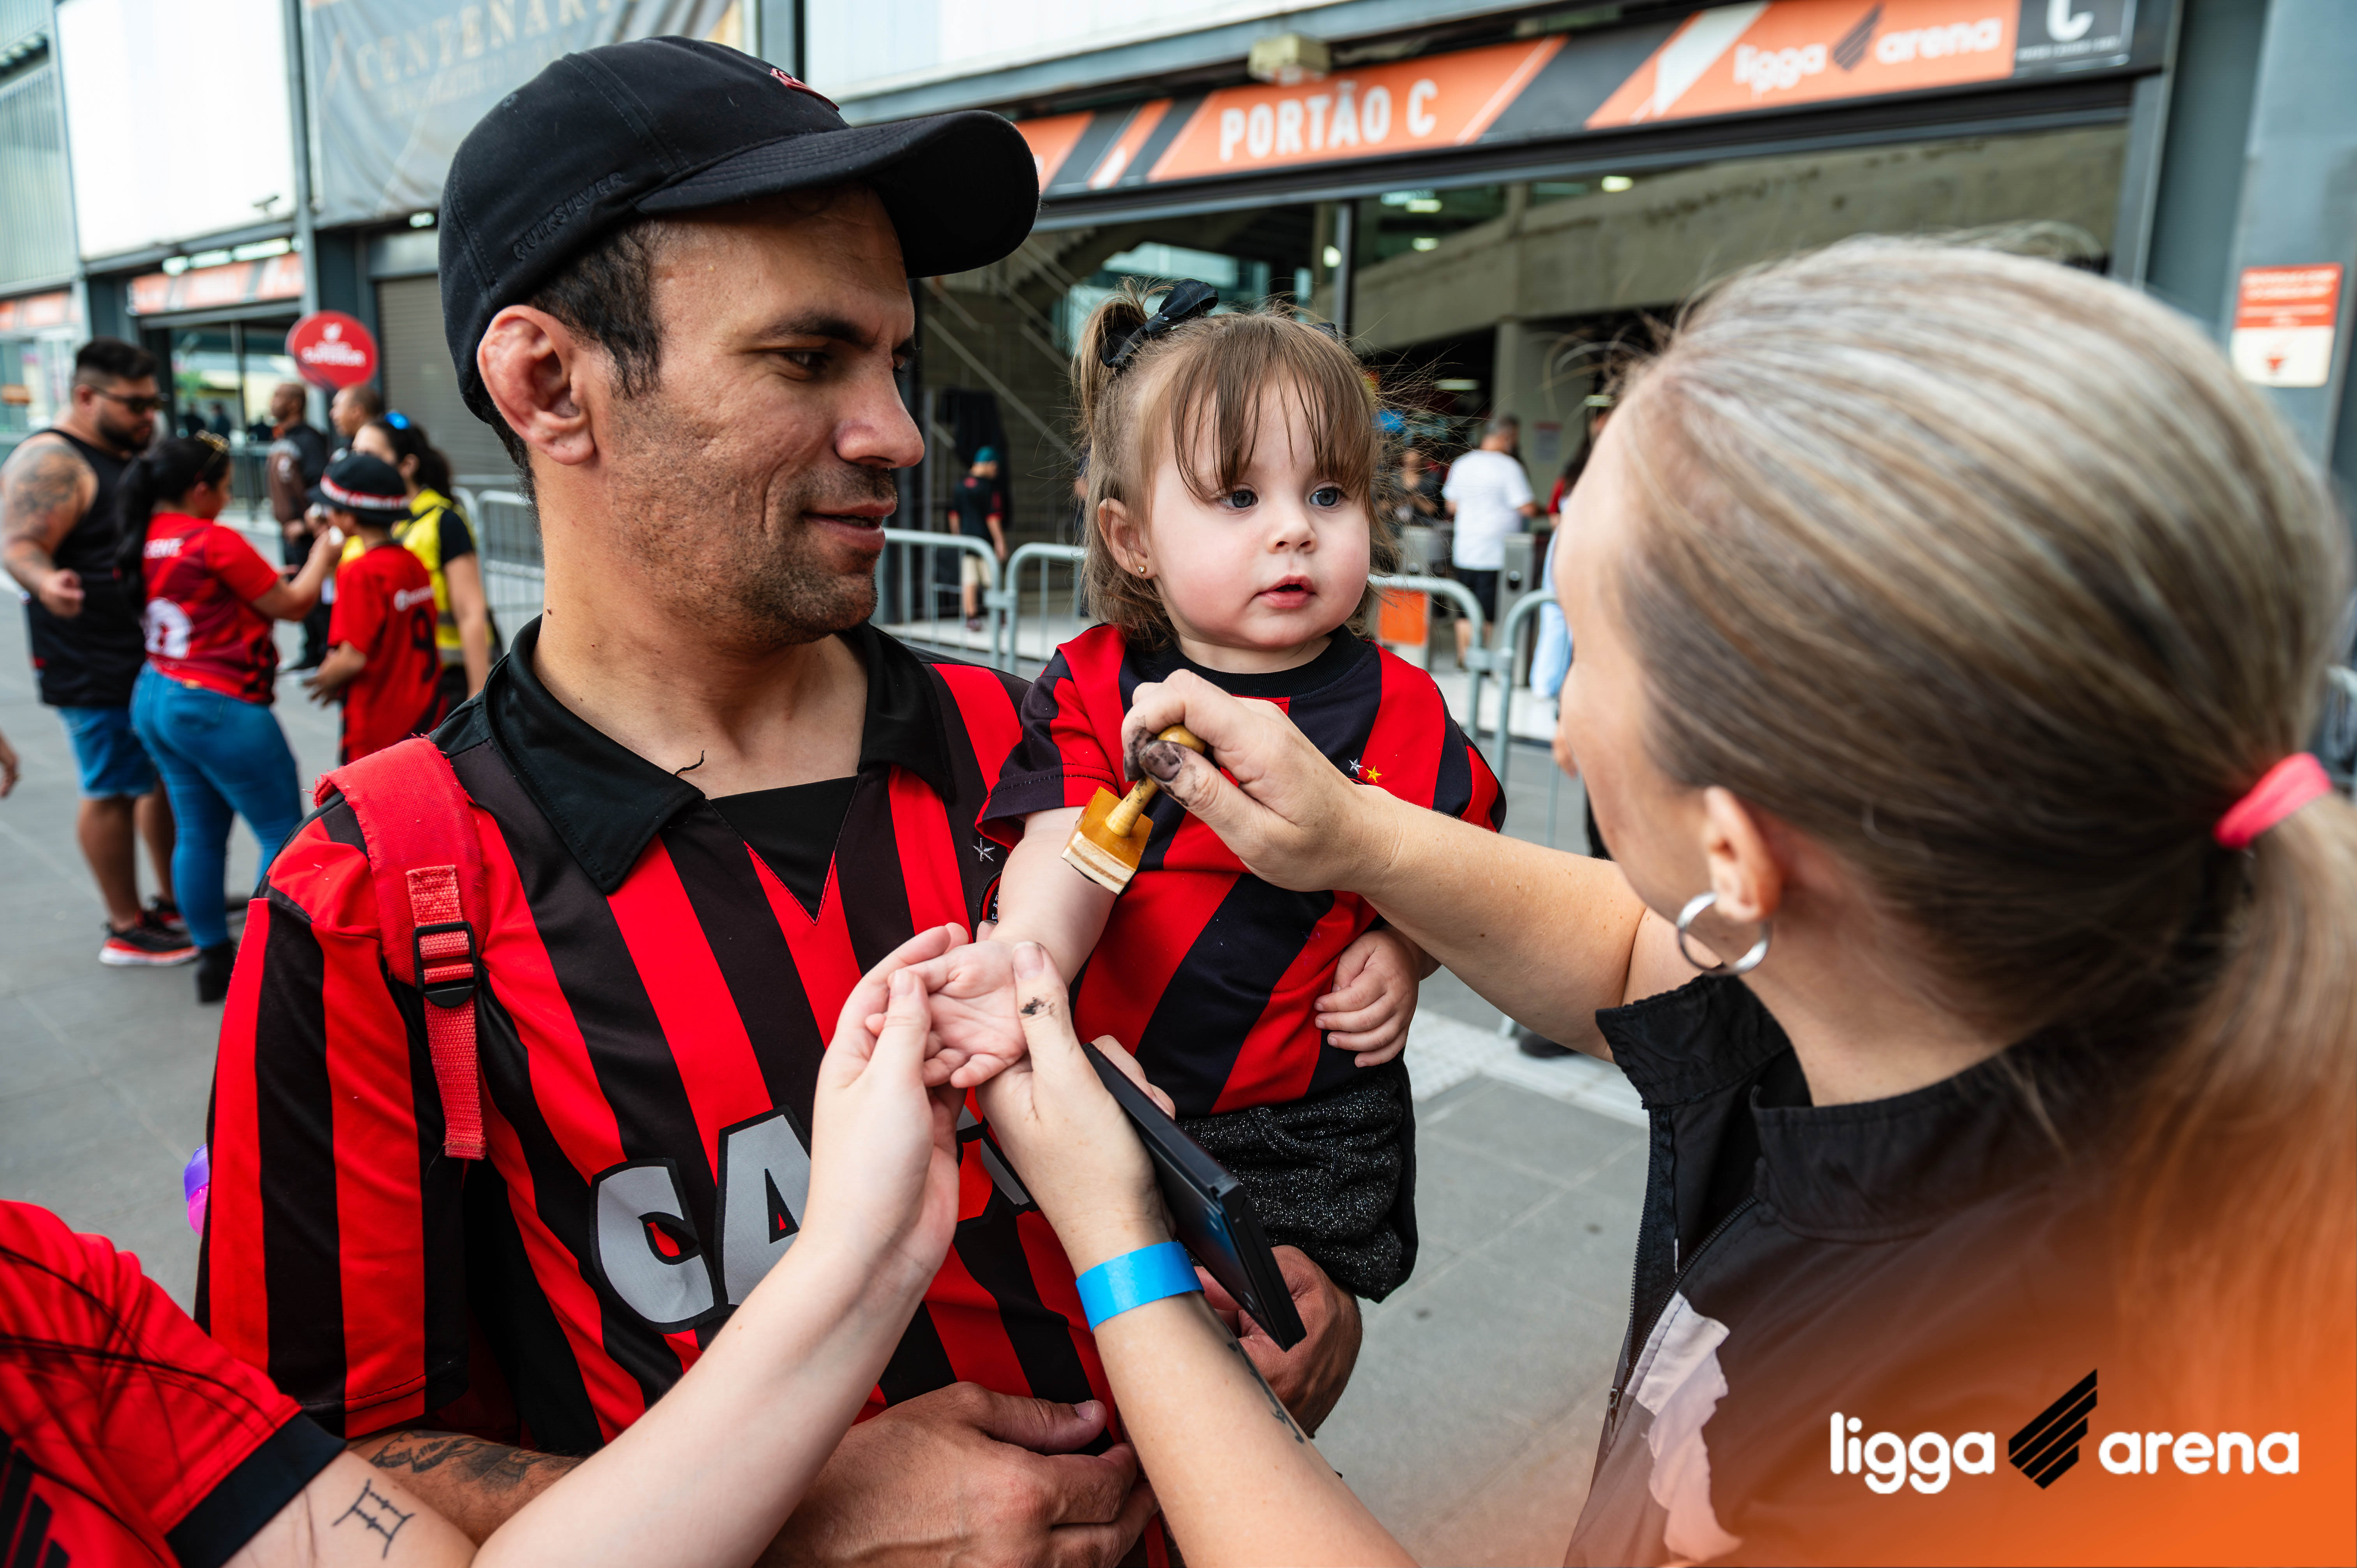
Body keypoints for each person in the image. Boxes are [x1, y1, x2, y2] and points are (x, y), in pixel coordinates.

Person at [964, 240, 2356, 1567]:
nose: (1562, 736)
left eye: (1586, 656)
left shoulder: (1976, 1432)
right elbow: (1624, 943)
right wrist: (1355, 837)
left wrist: (1122, 1252)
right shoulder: (1895, 1010)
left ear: (1736, 853)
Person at [201, 37, 1301, 1566]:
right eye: (805, 358)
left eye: (894, 359)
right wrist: (797, 1524)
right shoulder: (377, 892)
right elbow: (306, 1480)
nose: (898, 433)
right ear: (548, 383)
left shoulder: (1041, 756)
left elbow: (1238, 1146)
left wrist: (1292, 1296)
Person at [0, 927, 1023, 1566]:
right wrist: (805, 1519)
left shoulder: (45, 1299)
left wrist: (868, 1254)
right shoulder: (355, 898)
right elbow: (346, 1427)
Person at [979, 283, 1502, 1354]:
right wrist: (1023, 979)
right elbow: (1062, 853)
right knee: (1097, 1332)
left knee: (1273, 1345)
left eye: (1328, 492)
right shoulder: (1094, 683)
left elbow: (1465, 868)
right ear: (1131, 537)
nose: (1294, 530)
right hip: (1122, 1087)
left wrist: (1408, 948)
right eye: (1239, 496)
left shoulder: (1405, 707)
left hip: (1312, 1114)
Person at [120, 434, 341, 1001]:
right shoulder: (210, 539)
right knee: (280, 832)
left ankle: (213, 960)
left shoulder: (141, 534)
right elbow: (293, 605)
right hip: (217, 702)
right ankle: (276, 966)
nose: (226, 498)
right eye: (223, 488)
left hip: (157, 691)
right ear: (200, 489)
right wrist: (323, 557)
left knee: (197, 832)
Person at [0, 337, 192, 966]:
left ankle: (173, 901)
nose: (148, 416)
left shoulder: (124, 451)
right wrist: (46, 582)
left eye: (154, 403)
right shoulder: (52, 459)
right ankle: (126, 926)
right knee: (111, 786)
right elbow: (19, 544)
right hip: (88, 657)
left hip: (141, 653)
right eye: (135, 404)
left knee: (157, 780)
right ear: (86, 396)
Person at [303, 452, 443, 762]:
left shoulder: (360, 572)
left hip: (378, 723)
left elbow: (352, 658)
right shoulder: (412, 562)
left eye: (330, 508)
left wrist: (323, 680)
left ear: (348, 518)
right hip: (424, 713)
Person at [352, 412, 496, 710]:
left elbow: (471, 612)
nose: (358, 464)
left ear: (407, 466)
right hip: (381, 683)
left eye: (370, 455)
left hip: (441, 682)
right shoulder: (357, 522)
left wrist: (477, 696)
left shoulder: (444, 521)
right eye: (355, 454)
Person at [1440, 412, 1536, 668]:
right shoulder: (1510, 467)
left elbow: (1451, 506)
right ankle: (1478, 663)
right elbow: (1527, 508)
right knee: (1487, 609)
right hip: (1495, 553)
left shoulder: (1462, 463)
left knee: (1464, 606)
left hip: (1465, 549)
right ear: (1507, 436)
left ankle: (1464, 657)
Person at [265, 380, 335, 669]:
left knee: (316, 597)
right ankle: (310, 653)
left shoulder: (309, 440)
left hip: (307, 536)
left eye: (278, 396)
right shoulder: (282, 438)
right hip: (289, 535)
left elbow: (321, 487)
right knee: (298, 591)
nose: (272, 401)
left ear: (295, 404)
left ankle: (325, 655)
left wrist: (307, 526)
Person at [952, 445, 1005, 630]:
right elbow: (993, 517)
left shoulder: (960, 485)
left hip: (968, 542)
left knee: (969, 581)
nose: (996, 472)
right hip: (985, 543)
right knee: (993, 579)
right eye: (995, 468)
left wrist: (957, 536)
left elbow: (954, 515)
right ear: (990, 464)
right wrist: (1000, 542)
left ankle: (971, 617)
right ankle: (998, 615)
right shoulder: (989, 487)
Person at [1394, 445, 1441, 523]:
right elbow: (1382, 507)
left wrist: (1416, 500)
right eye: (1410, 461)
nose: (1412, 464)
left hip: (1422, 524)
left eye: (1415, 461)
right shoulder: (1394, 478)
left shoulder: (1431, 479)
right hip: (1395, 524)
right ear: (1404, 459)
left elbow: (1434, 509)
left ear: (1421, 461)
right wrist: (1395, 503)